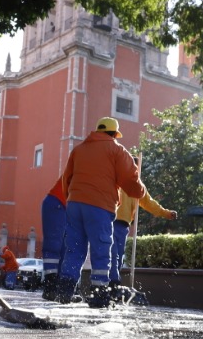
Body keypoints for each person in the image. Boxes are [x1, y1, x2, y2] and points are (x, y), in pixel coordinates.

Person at [54, 117, 149, 308]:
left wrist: (71, 198)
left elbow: (67, 178)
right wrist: (140, 191)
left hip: (75, 204)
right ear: (114, 134)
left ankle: (65, 290)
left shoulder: (79, 150)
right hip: (99, 206)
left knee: (74, 247)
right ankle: (99, 293)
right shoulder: (117, 150)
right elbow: (129, 180)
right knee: (101, 247)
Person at [109, 181, 177, 295]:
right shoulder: (115, 177)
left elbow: (148, 202)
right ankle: (112, 283)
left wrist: (166, 213)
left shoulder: (135, 183)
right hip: (109, 219)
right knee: (113, 254)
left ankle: (112, 285)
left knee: (118, 256)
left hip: (123, 224)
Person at [39, 173, 68, 301]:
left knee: (65, 248)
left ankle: (58, 288)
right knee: (54, 245)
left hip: (62, 205)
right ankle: (50, 285)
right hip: (57, 202)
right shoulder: (88, 168)